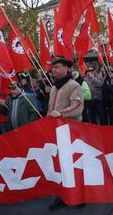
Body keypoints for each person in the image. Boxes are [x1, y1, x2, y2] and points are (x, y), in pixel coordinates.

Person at [47, 56, 84, 211]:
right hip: (56, 132)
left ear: (67, 68)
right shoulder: (54, 87)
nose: (53, 70)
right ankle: (62, 195)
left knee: (75, 164)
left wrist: (60, 113)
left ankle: (80, 196)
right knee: (60, 164)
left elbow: (78, 106)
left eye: (57, 67)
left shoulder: (74, 85)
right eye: (53, 67)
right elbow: (50, 109)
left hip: (71, 132)